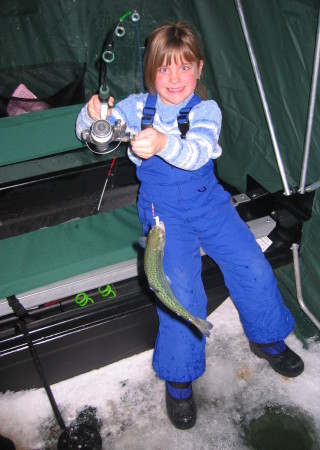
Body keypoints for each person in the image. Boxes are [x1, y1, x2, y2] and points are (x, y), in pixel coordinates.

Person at [76, 21, 304, 430]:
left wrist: (163, 143)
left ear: (199, 69)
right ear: (151, 71)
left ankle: (266, 337)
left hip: (210, 204)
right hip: (163, 214)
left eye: (184, 67)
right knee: (179, 290)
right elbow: (92, 135)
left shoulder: (205, 110)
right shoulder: (135, 106)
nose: (175, 78)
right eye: (164, 69)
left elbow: (198, 152)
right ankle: (179, 379)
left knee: (251, 264)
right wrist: (93, 115)